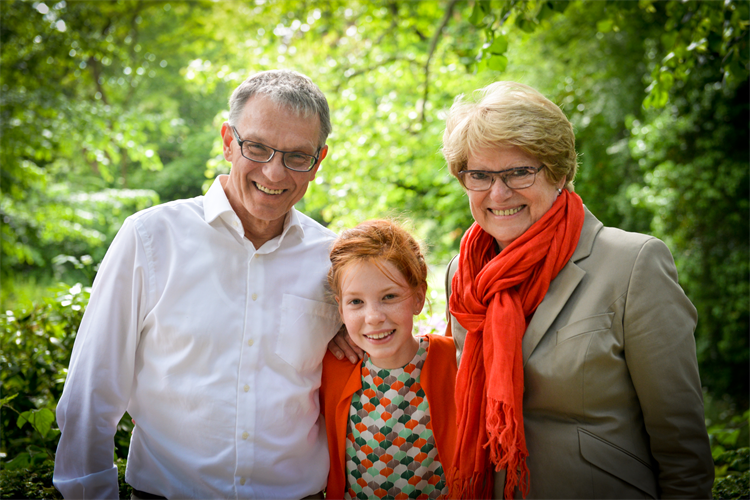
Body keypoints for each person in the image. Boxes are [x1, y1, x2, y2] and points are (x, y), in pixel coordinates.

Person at [53, 69, 343, 500]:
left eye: (297, 156)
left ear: (318, 162)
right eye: (257, 147)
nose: (274, 172)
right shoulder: (150, 239)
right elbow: (92, 393)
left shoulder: (334, 259)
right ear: (228, 141)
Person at [440, 81, 714, 500]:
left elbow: (682, 448)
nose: (498, 192)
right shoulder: (462, 274)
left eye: (519, 172)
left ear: (561, 172)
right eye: (480, 175)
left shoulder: (632, 264)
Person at [320, 220, 458, 499]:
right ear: (340, 309)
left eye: (389, 296)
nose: (373, 317)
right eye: (356, 302)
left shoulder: (453, 360)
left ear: (418, 298)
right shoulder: (332, 368)